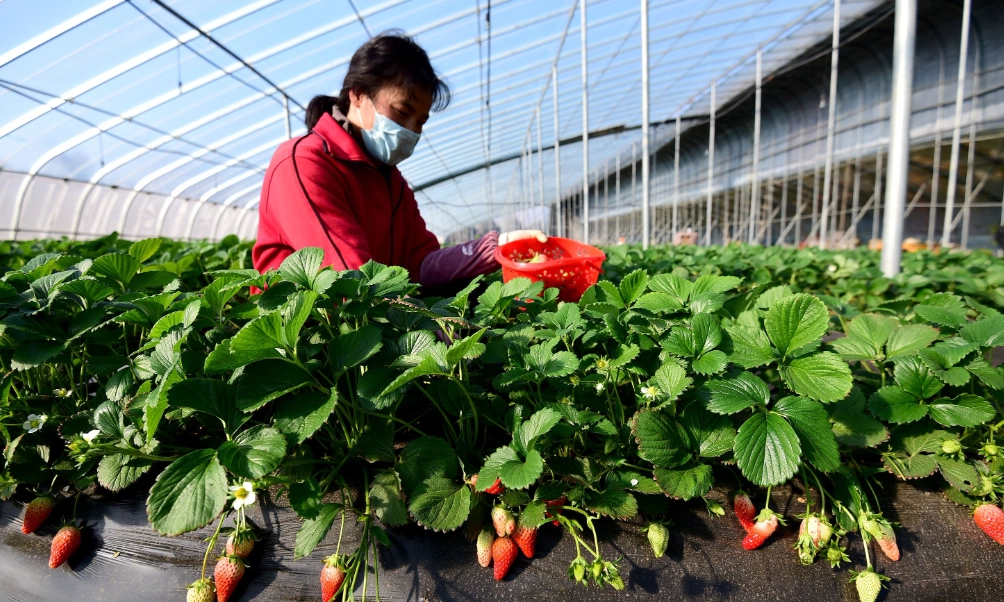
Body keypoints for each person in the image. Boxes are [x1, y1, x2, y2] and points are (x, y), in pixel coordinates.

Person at [252, 31, 546, 290]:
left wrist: (498, 248)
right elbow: (348, 278)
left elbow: (421, 263)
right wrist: (427, 324)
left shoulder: (393, 182)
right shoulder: (305, 163)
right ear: (357, 95)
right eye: (401, 112)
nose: (410, 131)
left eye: (420, 121)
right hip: (308, 340)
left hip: (372, 326)